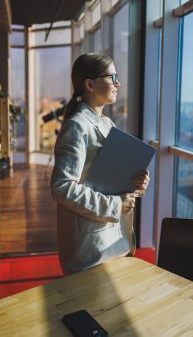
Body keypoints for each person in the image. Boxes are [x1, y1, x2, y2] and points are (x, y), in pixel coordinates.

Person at [51, 53, 150, 274]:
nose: (118, 82)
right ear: (90, 84)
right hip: (91, 246)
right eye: (112, 76)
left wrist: (136, 183)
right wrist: (116, 205)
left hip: (113, 240)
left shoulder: (106, 123)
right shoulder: (77, 126)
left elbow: (111, 176)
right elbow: (62, 187)